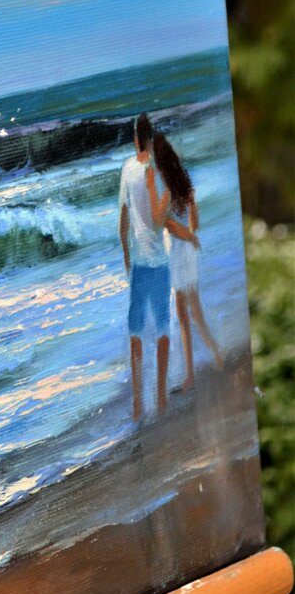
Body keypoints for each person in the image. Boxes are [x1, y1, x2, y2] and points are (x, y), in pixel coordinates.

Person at [118, 113, 197, 418]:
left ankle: (139, 403)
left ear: (136, 139)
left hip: (140, 263)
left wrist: (126, 256)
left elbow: (123, 219)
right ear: (150, 140)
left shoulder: (127, 169)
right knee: (163, 329)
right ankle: (161, 397)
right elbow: (159, 219)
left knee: (136, 331)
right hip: (160, 263)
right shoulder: (159, 172)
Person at [146, 131, 224, 389]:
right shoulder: (186, 185)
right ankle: (217, 357)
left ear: (160, 163)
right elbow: (195, 223)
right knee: (195, 312)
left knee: (183, 317)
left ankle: (191, 376)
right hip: (188, 252)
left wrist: (183, 234)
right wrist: (190, 236)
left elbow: (162, 224)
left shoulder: (166, 192)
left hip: (178, 253)